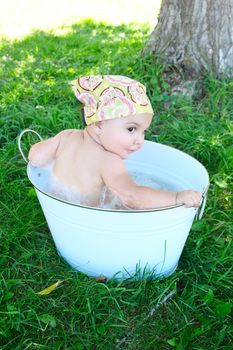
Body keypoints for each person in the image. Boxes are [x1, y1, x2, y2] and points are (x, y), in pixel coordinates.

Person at [29, 75, 202, 209]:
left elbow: (35, 158)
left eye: (144, 132)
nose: (140, 141)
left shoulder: (66, 136)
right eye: (131, 129)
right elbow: (132, 197)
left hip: (58, 208)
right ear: (98, 124)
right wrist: (176, 198)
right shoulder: (108, 160)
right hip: (89, 220)